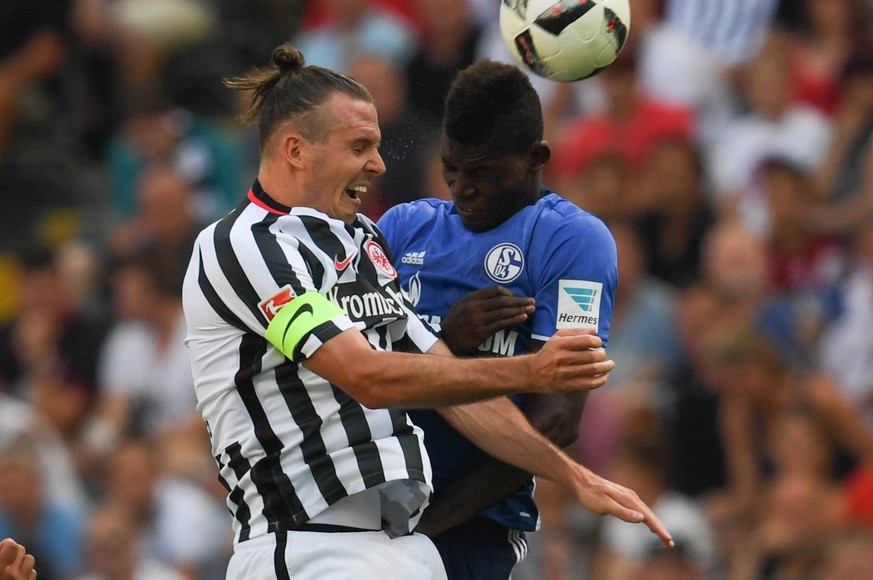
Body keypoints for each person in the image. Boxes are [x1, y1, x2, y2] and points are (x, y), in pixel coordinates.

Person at [182, 42, 672, 579]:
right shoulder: (242, 245)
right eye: (360, 146)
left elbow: (451, 385)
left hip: (398, 543)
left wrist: (574, 476)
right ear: (297, 151)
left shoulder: (362, 242)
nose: (379, 163)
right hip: (308, 542)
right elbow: (365, 375)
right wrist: (530, 370)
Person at [376, 58, 618, 579]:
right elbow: (356, 370)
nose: (461, 188)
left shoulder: (572, 242)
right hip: (366, 516)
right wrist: (445, 340)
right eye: (452, 168)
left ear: (536, 158)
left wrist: (424, 528)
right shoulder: (401, 228)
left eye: (482, 172)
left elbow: (557, 419)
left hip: (466, 529)